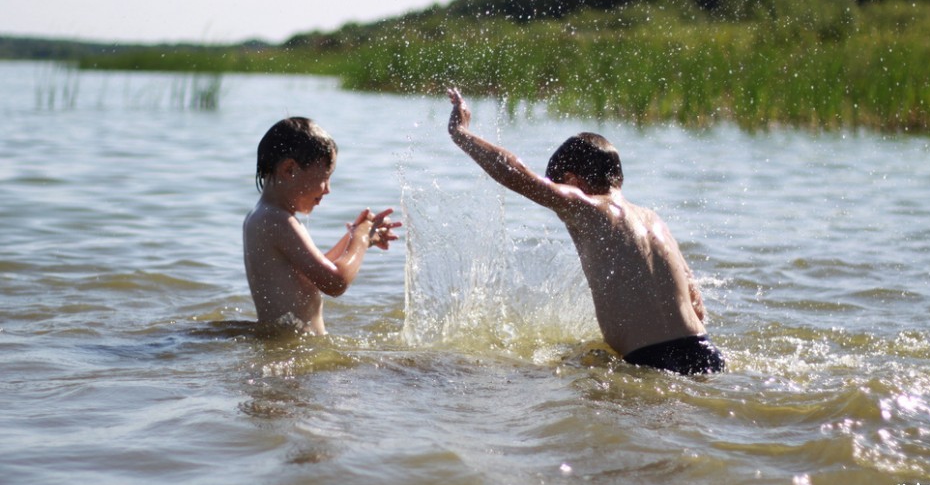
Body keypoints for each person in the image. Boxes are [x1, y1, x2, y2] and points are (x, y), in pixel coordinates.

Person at [446, 89, 724, 375]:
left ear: (571, 181)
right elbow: (697, 306)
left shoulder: (587, 207)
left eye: (558, 190)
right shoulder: (655, 222)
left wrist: (461, 134)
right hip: (706, 353)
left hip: (652, 361)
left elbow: (516, 174)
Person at [243, 117, 400, 335]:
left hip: (287, 343)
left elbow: (311, 275)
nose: (328, 189)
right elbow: (335, 282)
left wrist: (353, 237)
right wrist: (361, 239)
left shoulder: (264, 216)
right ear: (289, 169)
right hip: (295, 349)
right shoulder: (278, 220)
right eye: (325, 177)